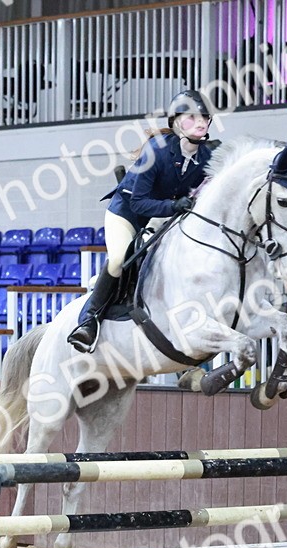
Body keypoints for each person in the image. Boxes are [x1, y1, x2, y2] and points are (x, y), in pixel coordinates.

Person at [67, 89, 215, 352]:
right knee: (118, 259)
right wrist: (173, 205)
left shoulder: (205, 157)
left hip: (160, 217)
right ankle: (88, 321)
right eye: (192, 118)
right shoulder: (157, 151)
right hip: (127, 214)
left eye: (204, 117)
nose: (201, 123)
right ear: (177, 123)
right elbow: (138, 202)